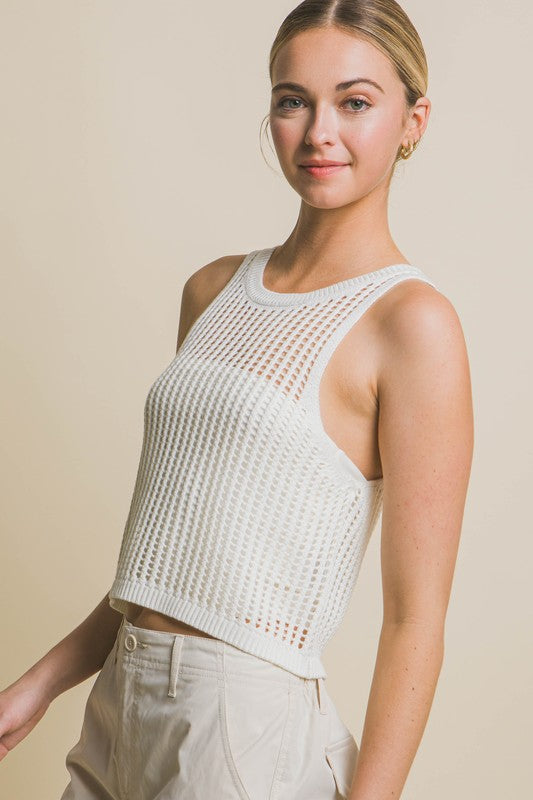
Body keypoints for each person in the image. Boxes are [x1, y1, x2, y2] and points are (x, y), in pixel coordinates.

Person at [0, 1, 474, 798]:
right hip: (121, 700)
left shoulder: (411, 325)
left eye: (354, 102)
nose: (319, 130)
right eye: (293, 100)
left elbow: (413, 623)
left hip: (242, 728)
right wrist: (43, 683)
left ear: (411, 121)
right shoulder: (211, 290)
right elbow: (166, 559)